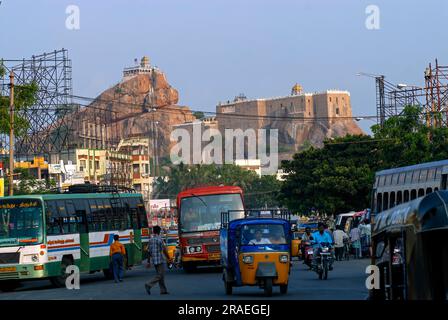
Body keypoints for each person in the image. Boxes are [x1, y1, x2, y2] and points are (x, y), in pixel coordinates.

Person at [145, 226, 170, 295]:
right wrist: (169, 258)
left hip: (154, 260)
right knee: (160, 275)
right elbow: (164, 250)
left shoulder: (151, 240)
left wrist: (148, 261)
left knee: (161, 275)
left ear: (153, 231)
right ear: (159, 231)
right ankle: (149, 284)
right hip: (160, 259)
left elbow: (148, 251)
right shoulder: (160, 239)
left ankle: (163, 290)